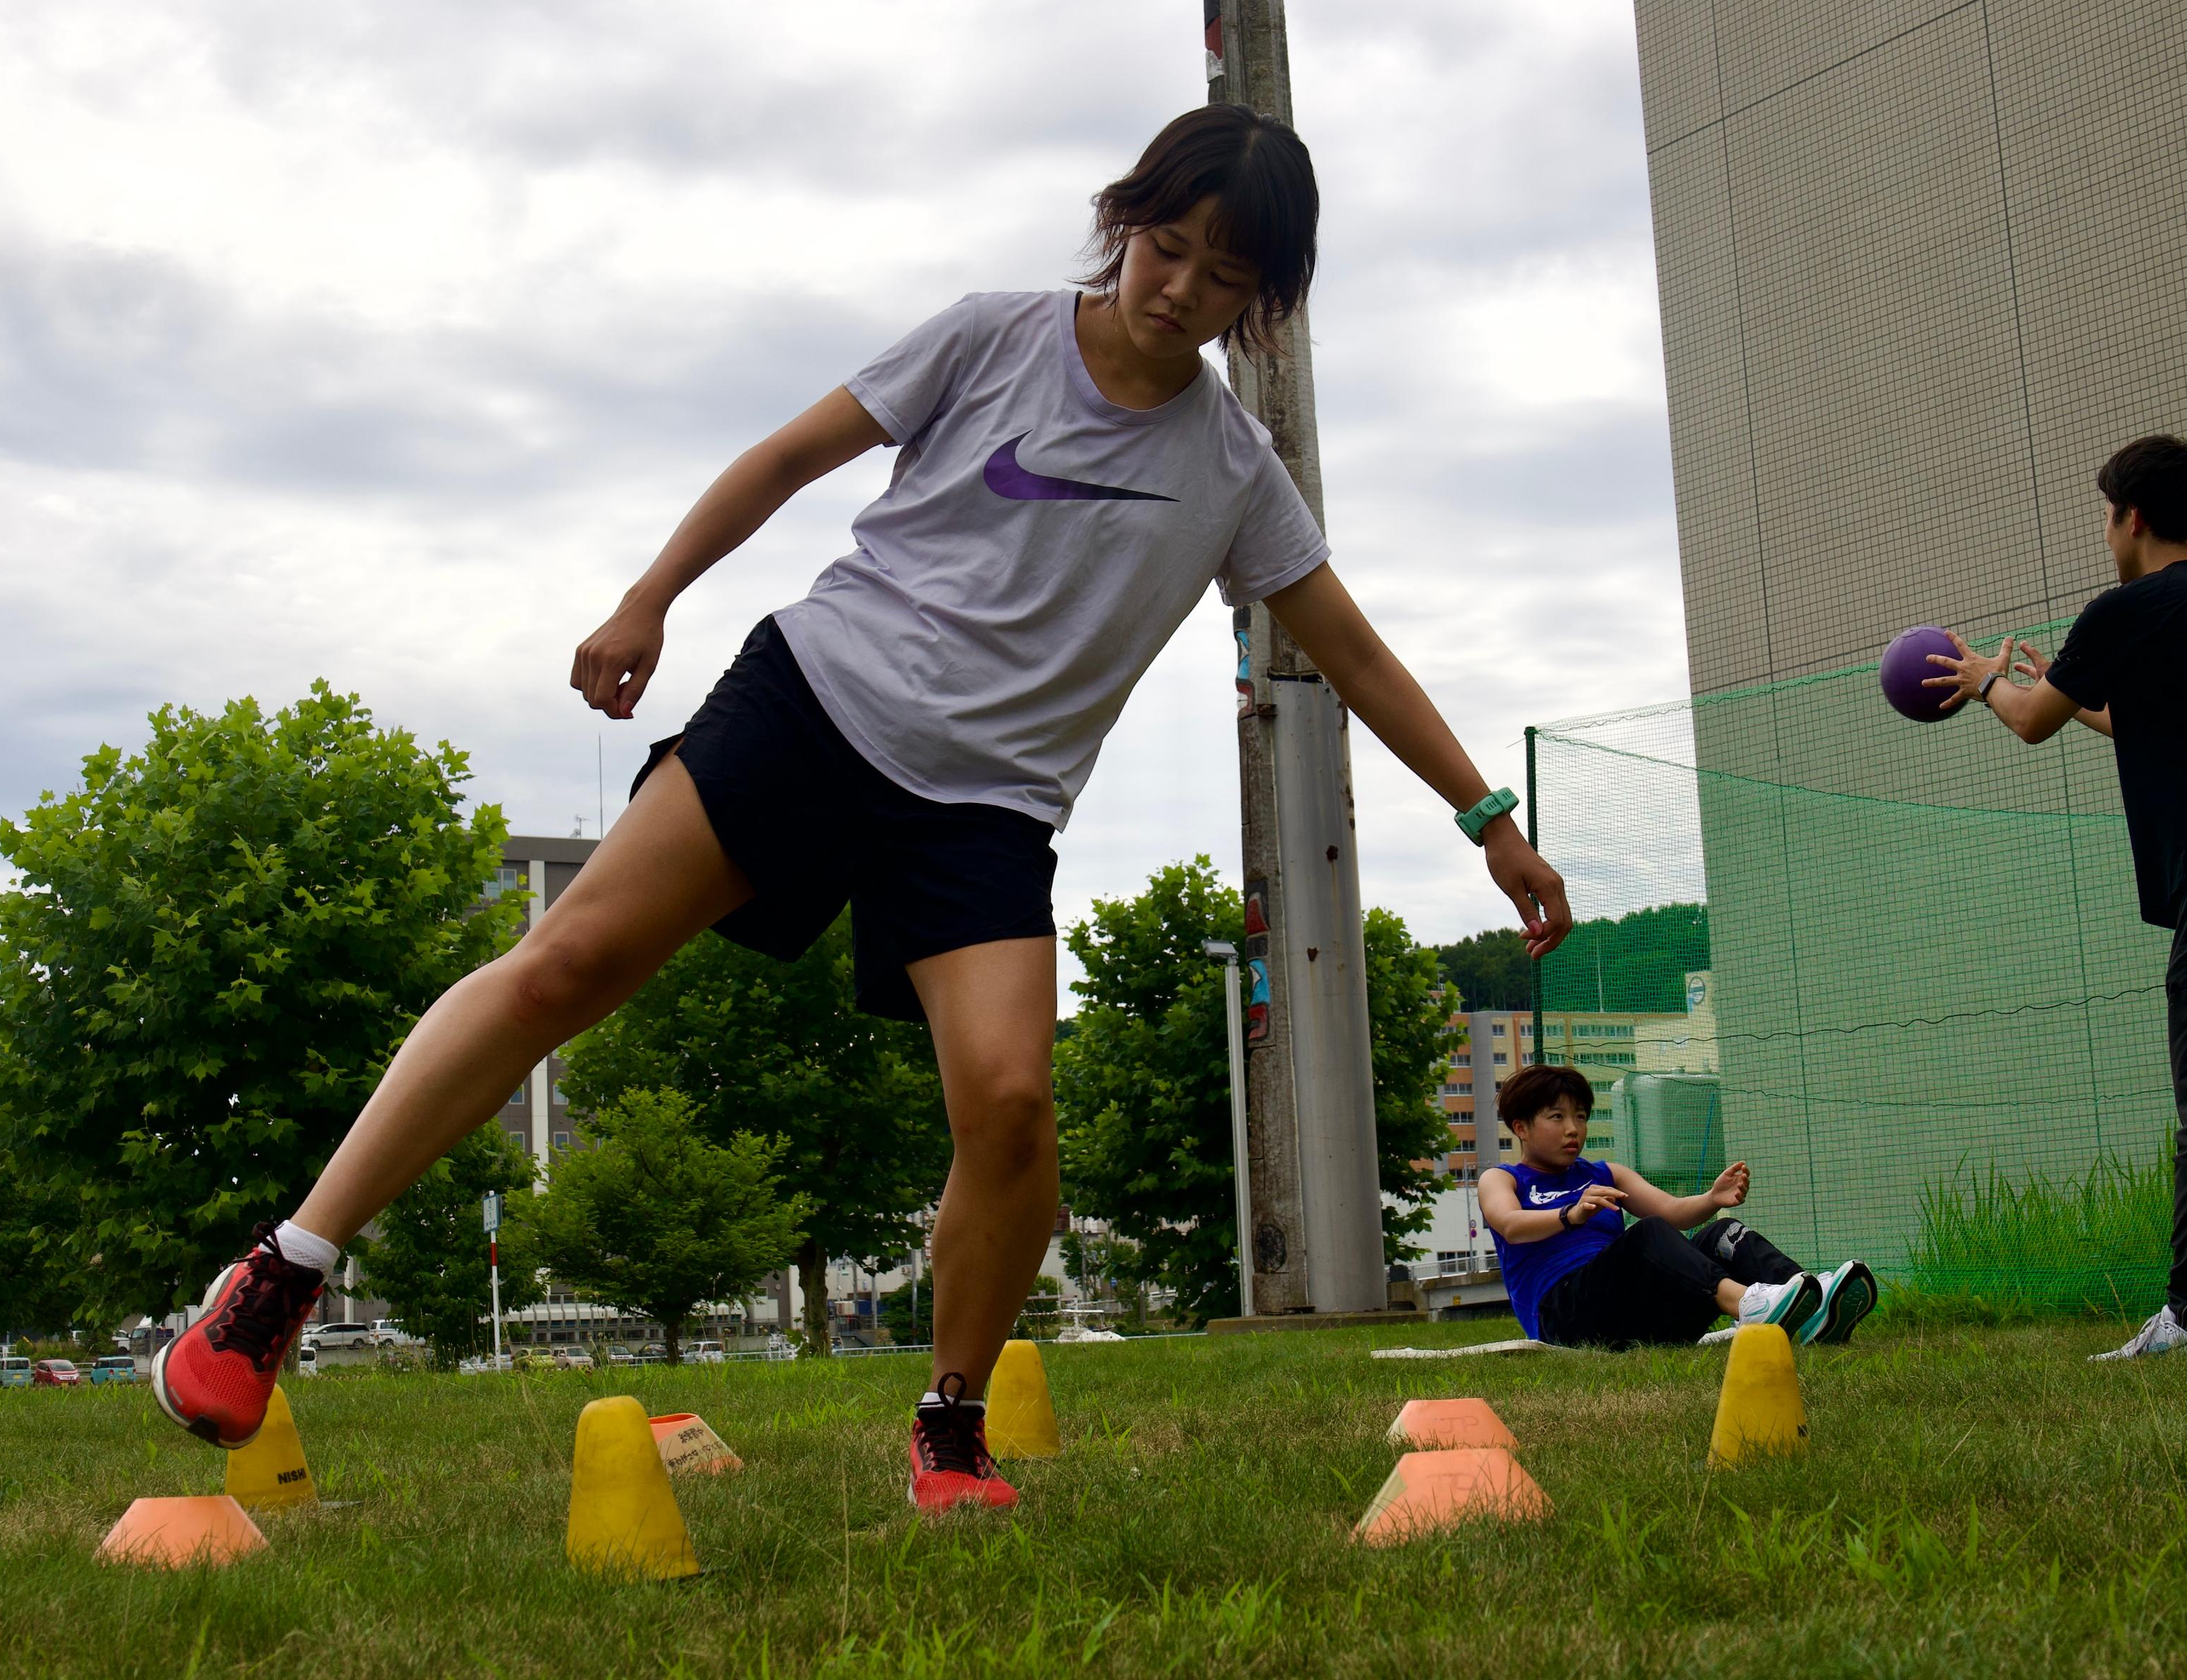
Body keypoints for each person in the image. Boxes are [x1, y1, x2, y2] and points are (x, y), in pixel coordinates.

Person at [149, 105, 1571, 1511]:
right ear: (1124, 223)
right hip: (818, 702)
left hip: (985, 808)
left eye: (1223, 277)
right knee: (565, 965)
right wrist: (649, 597)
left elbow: (1354, 653)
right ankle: (282, 1271)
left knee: (1011, 1106)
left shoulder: (1231, 472)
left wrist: (1488, 820)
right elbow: (787, 459)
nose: (1179, 290)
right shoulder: (992, 337)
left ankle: (950, 1422)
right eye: (1166, 248)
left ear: (1263, 301)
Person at [1925, 435, 2187, 1361]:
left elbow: (2029, 722)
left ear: (2132, 518)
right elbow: (2165, 723)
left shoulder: (2129, 607)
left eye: (2106, 516)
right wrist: (2063, 693)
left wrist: (1989, 682)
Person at [1478, 1064, 1879, 1349]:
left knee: (1723, 1233)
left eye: (1581, 1117)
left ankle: (1812, 1305)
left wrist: (1711, 1199)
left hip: (1635, 1316)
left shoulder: (1606, 1173)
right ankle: (1749, 1304)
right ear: (1521, 1128)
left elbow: (1672, 1211)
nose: (1573, 1129)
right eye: (1557, 1117)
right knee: (1647, 1232)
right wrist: (1571, 1215)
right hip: (1564, 1318)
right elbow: (1510, 1224)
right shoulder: (1503, 1178)